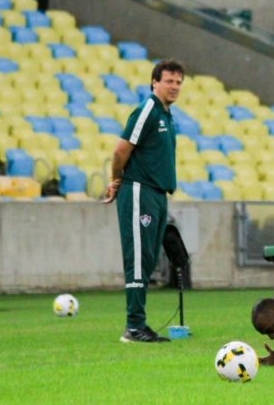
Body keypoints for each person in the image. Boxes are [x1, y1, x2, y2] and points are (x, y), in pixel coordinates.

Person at [103, 59, 185, 343]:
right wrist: (116, 181)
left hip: (157, 194)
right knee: (137, 257)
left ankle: (139, 324)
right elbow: (119, 151)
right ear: (154, 82)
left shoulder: (167, 115)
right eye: (169, 81)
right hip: (139, 190)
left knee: (148, 258)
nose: (174, 87)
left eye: (178, 82)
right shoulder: (147, 110)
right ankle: (134, 326)